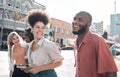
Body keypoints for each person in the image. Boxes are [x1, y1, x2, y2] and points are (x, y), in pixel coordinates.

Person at [72, 11, 118, 77]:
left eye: (80, 20)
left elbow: (111, 71)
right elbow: (79, 69)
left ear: (89, 24)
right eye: (74, 19)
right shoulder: (75, 43)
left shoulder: (97, 40)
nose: (75, 22)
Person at [26, 9, 63, 77]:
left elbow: (59, 62)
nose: (40, 30)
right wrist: (28, 68)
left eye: (43, 28)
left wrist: (39, 69)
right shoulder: (29, 45)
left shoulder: (49, 45)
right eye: (37, 27)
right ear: (32, 29)